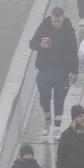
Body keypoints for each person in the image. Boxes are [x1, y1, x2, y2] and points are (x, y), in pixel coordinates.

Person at [30, 8, 79, 139]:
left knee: (60, 100)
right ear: (51, 18)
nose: (56, 23)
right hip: (45, 70)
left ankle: (57, 128)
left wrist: (75, 71)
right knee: (44, 97)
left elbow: (74, 50)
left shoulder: (68, 30)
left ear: (63, 19)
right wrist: (41, 45)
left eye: (59, 21)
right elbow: (32, 44)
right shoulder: (44, 27)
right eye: (54, 21)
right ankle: (47, 119)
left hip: (62, 71)